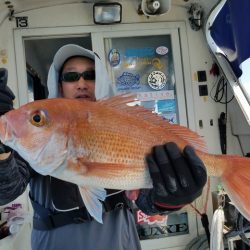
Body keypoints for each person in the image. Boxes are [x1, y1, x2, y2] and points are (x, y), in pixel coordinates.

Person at [0, 44, 207, 250]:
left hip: (119, 240)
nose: (81, 83)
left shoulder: (124, 123)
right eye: (71, 77)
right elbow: (6, 192)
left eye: (90, 75)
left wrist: (170, 197)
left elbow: (146, 202)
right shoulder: (32, 142)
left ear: (101, 81)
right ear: (59, 85)